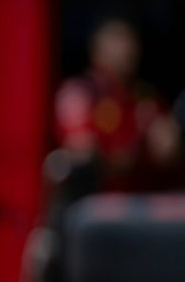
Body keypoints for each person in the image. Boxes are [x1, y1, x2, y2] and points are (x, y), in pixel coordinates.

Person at [53, 18, 178, 192]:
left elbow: (168, 153)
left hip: (143, 205)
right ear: (96, 47)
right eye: (118, 38)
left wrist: (169, 142)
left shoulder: (145, 98)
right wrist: (136, 149)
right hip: (95, 208)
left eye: (131, 39)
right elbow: (84, 157)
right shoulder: (79, 94)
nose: (127, 48)